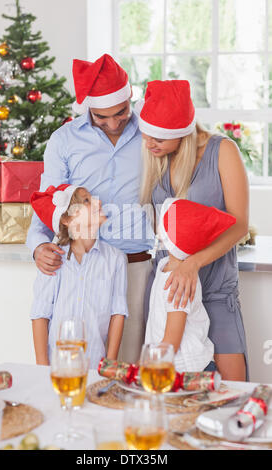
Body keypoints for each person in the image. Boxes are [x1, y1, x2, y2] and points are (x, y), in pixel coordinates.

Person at [26, 54, 155, 364]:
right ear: (88, 109)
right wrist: (37, 247)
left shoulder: (151, 136)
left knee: (127, 371)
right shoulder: (64, 141)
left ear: (130, 98)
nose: (113, 123)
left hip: (135, 268)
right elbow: (50, 202)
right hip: (75, 267)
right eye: (101, 117)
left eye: (121, 112)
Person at [138, 80, 249, 381]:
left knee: (233, 393)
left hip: (213, 290)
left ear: (180, 132)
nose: (149, 144)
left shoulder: (222, 151)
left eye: (158, 137)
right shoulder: (157, 157)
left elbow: (238, 223)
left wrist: (193, 264)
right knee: (168, 389)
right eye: (146, 134)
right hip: (170, 293)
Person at [29, 183, 128, 368]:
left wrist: (110, 364)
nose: (98, 202)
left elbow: (118, 313)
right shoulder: (54, 260)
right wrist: (42, 367)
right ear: (66, 219)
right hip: (57, 366)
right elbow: (40, 315)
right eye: (86, 201)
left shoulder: (116, 259)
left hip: (94, 364)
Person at [145, 198, 237, 373]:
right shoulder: (165, 265)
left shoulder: (178, 282)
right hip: (174, 366)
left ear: (165, 234)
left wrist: (146, 364)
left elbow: (172, 341)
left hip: (189, 371)